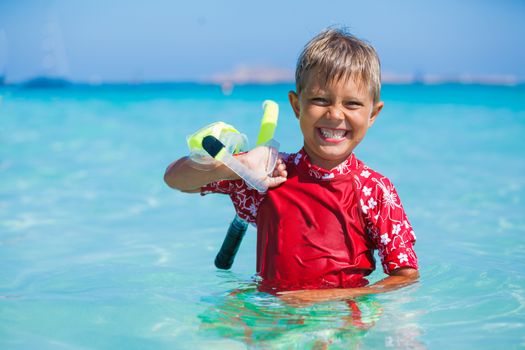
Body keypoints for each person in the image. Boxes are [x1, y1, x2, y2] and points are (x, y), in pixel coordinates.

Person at [164, 28, 419, 305]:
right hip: (270, 319)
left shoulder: (375, 191)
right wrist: (236, 165)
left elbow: (405, 277)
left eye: (352, 104)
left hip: (339, 324)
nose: (334, 114)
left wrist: (326, 297)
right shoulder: (267, 173)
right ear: (297, 106)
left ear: (373, 114)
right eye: (320, 100)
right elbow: (176, 179)